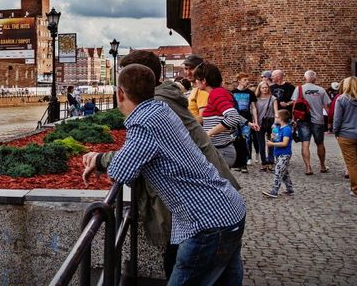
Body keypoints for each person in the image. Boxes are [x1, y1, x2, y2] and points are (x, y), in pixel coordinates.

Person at [82, 64, 246, 286]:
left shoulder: (143, 123)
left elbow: (121, 172)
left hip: (207, 223)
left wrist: (100, 160)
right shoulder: (161, 110)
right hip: (227, 210)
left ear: (120, 93)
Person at [194, 62, 246, 169]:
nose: (195, 82)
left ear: (204, 80)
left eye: (197, 79)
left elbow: (233, 117)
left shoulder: (216, 93)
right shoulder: (220, 92)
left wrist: (208, 133)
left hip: (221, 151)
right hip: (220, 150)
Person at [332, 76, 357, 197]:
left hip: (346, 135)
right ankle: (356, 186)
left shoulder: (342, 99)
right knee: (355, 162)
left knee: (351, 163)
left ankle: (356, 189)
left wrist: (336, 132)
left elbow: (337, 119)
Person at [291, 70, 330, 175]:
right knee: (320, 143)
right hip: (318, 120)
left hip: (303, 120)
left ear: (305, 78)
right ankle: (322, 166)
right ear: (315, 78)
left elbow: (294, 105)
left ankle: (308, 168)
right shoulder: (321, 90)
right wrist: (330, 122)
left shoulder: (299, 89)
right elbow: (327, 107)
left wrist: (293, 119)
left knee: (305, 143)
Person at [263, 109, 295, 197]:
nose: (275, 118)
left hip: (285, 154)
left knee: (278, 170)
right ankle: (290, 189)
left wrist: (272, 144)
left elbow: (285, 143)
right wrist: (272, 138)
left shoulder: (287, 129)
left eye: (277, 117)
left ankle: (274, 191)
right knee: (284, 172)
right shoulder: (278, 128)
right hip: (278, 154)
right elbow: (276, 139)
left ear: (281, 118)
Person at [231, 73, 256, 173]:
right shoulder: (232, 93)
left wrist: (255, 120)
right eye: (245, 80)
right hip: (235, 120)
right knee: (235, 141)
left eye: (247, 79)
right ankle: (238, 163)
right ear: (239, 80)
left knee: (246, 140)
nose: (247, 81)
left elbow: (254, 108)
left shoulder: (250, 93)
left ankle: (244, 163)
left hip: (247, 120)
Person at [253, 80, 274, 170]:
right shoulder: (255, 99)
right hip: (259, 123)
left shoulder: (273, 98)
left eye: (266, 87)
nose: (264, 89)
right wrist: (255, 122)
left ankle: (271, 162)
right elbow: (254, 111)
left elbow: (275, 111)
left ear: (268, 88)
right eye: (262, 88)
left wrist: (276, 124)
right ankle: (264, 163)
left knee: (271, 143)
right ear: (259, 89)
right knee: (261, 144)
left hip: (270, 122)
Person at [182, 54, 207, 120]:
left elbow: (203, 118)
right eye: (186, 69)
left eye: (191, 69)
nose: (188, 72)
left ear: (200, 69)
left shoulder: (202, 90)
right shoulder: (195, 89)